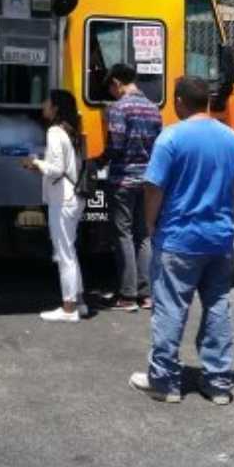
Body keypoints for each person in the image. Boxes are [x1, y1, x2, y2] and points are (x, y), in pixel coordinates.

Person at [127, 77, 234, 405]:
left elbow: (154, 187)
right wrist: (225, 213)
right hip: (220, 238)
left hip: (179, 238)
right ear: (207, 101)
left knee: (170, 309)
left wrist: (151, 223)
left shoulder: (171, 138)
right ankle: (219, 382)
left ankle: (164, 382)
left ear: (179, 100)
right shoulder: (232, 138)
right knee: (218, 306)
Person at [95, 63, 162, 312]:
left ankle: (127, 294)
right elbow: (158, 147)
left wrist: (97, 161)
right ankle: (146, 294)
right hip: (147, 181)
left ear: (116, 83)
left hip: (123, 180)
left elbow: (116, 146)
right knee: (143, 235)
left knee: (122, 235)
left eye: (110, 88)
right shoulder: (153, 109)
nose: (111, 93)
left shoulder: (119, 108)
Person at [22, 90, 88, 322]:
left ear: (56, 107)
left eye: (47, 102)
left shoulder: (54, 131)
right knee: (70, 250)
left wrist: (35, 162)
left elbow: (56, 169)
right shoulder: (72, 131)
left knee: (64, 254)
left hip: (63, 199)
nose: (43, 105)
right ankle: (79, 302)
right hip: (75, 197)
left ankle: (68, 309)